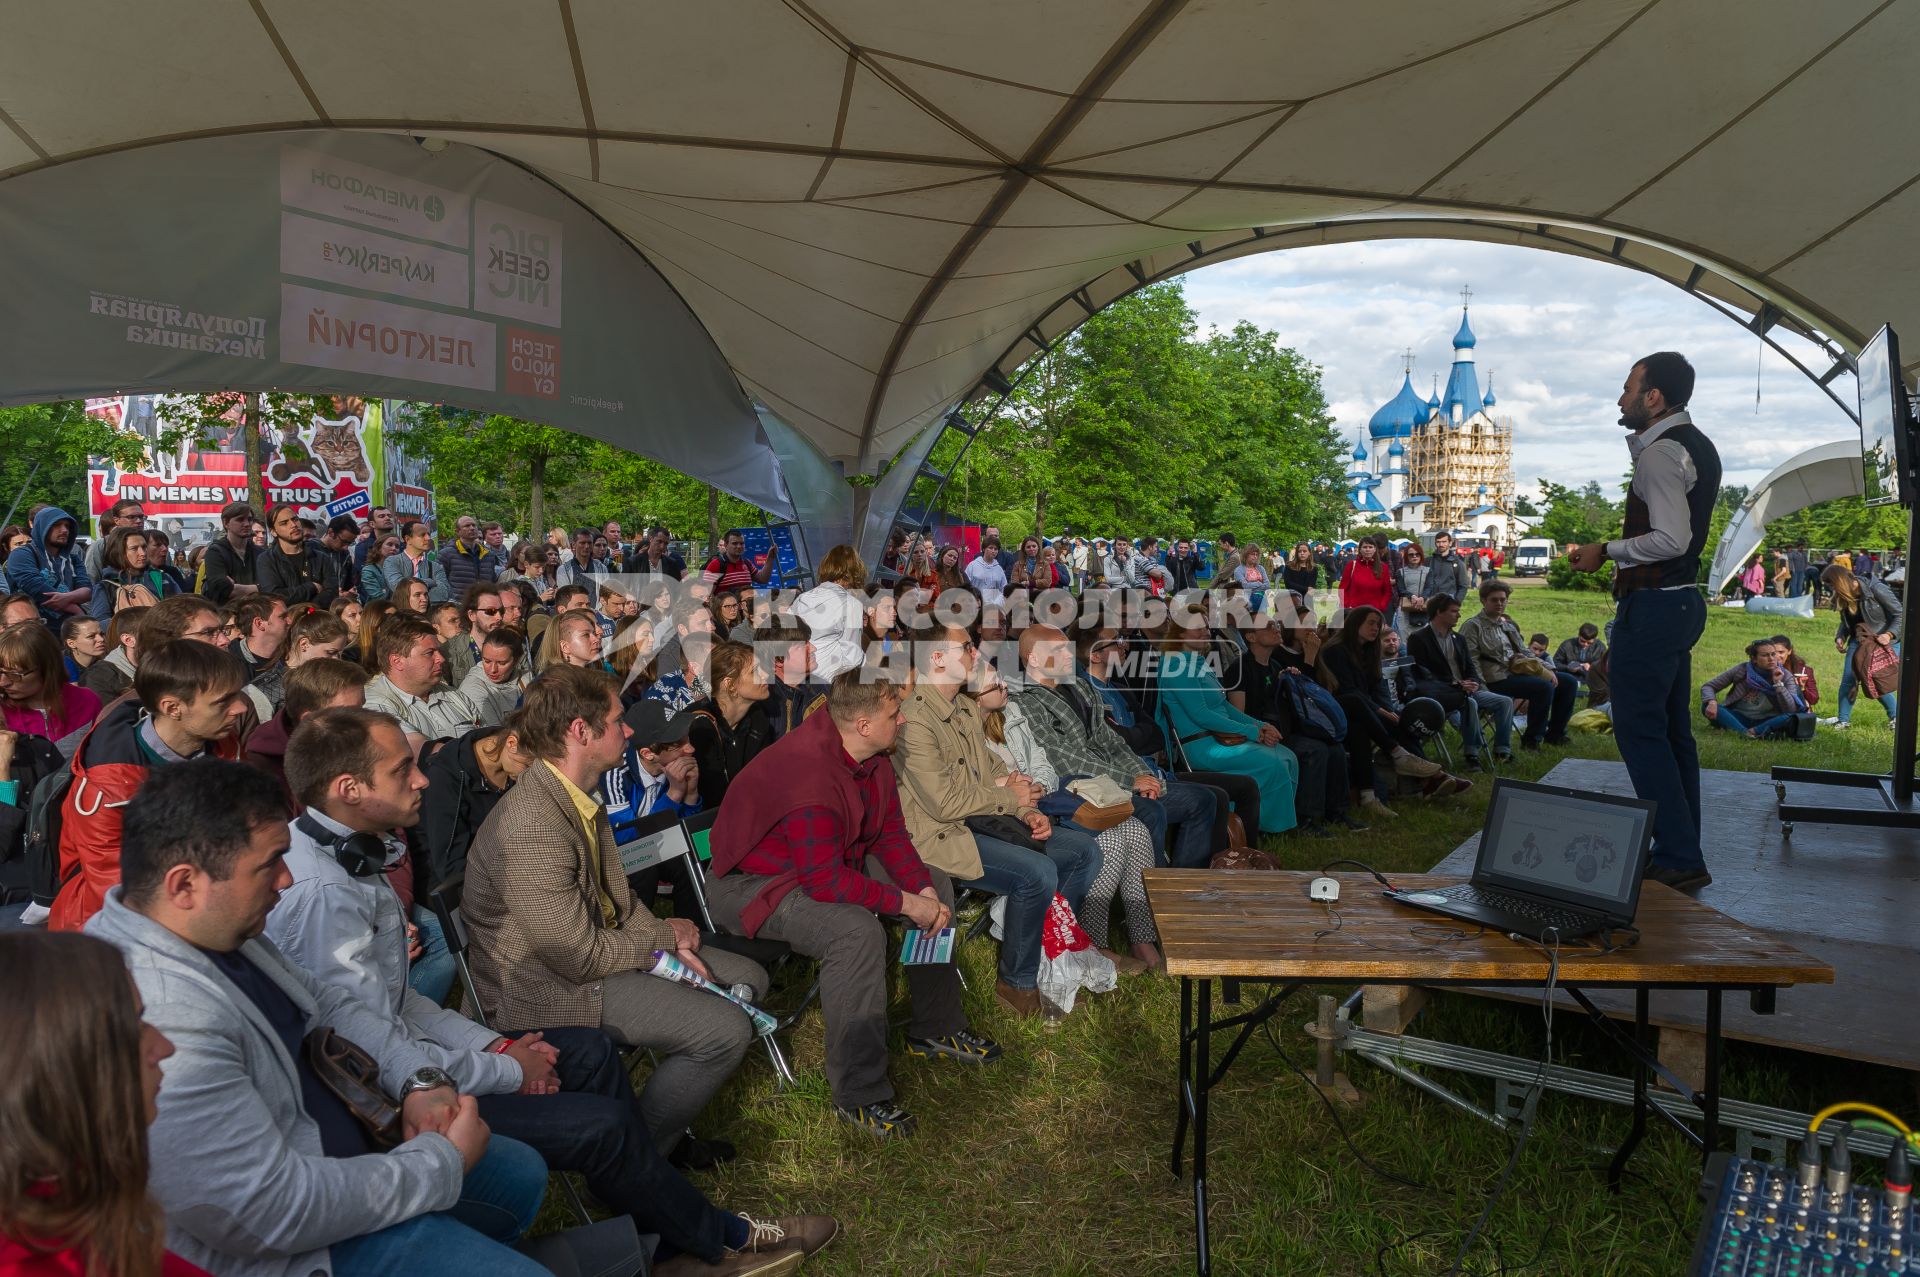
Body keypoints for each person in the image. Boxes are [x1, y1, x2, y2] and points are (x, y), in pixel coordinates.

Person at [273, 709, 834, 1276]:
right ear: (349, 790)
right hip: (401, 1109)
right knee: (606, 1126)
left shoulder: (348, 856)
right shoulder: (322, 893)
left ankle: (654, 1223)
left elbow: (397, 1005)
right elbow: (373, 1049)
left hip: (427, 1064)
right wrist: (506, 1068)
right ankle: (717, 1242)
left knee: (589, 1056)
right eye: (402, 771)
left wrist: (494, 1051)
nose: (421, 779)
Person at [83, 759, 552, 1277]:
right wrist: (438, 1167)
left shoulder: (214, 928)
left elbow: (330, 1004)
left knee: (519, 1174)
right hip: (300, 1248)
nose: (286, 879)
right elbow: (268, 1213)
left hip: (351, 1150)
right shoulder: (161, 1014)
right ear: (185, 885)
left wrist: (420, 1081)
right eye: (269, 864)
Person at [460, 666, 769, 1159]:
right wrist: (666, 944)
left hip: (588, 959)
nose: (628, 731)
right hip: (543, 988)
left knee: (749, 977)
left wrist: (673, 939)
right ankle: (637, 1154)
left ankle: (653, 1134)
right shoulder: (531, 824)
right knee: (725, 1030)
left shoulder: (577, 796)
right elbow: (576, 956)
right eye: (618, 720)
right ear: (581, 732)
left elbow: (618, 900)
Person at [706, 669, 997, 1138]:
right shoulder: (808, 773)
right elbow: (823, 883)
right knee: (856, 931)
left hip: (821, 864)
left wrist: (919, 889)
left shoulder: (873, 755)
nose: (902, 721)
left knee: (937, 887)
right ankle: (859, 1094)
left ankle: (934, 1026)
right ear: (863, 725)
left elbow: (889, 835)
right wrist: (902, 900)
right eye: (893, 713)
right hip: (751, 886)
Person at [1564, 352, 1721, 891]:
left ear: (1653, 397)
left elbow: (1671, 540)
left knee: (1640, 732)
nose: (1620, 398)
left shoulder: (1660, 455)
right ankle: (1682, 846)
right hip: (1678, 604)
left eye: (1629, 387)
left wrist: (1605, 548)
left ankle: (1678, 853)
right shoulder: (1695, 445)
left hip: (1654, 609)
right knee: (1673, 733)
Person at [897, 620, 1101, 1018]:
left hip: (979, 818)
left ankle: (1051, 948)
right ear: (937, 659)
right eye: (967, 647)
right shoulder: (916, 720)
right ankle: (1017, 983)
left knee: (1081, 850)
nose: (976, 654)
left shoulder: (961, 708)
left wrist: (1026, 809)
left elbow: (993, 769)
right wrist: (1012, 798)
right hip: (939, 835)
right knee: (1036, 872)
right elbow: (943, 803)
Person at [0, 931, 215, 1276]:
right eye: (134, 1028)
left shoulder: (61, 1206)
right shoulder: (35, 1260)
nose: (164, 1047)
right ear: (56, 1065)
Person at [49, 639, 250, 932]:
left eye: (239, 695)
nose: (241, 708)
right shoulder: (107, 788)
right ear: (173, 707)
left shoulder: (222, 745)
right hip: (110, 935)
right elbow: (122, 891)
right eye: (223, 701)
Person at [1012, 623, 1216, 880]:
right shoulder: (1023, 700)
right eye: (1059, 650)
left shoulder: (1080, 688)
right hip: (1078, 791)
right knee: (1155, 810)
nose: (1068, 656)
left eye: (1068, 649)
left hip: (1113, 779)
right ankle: (1152, 895)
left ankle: (1184, 886)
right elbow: (1062, 759)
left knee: (1204, 799)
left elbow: (1113, 742)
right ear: (1033, 658)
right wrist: (1130, 781)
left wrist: (1143, 776)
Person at [1156, 621, 1303, 833]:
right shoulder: (1175, 666)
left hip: (1218, 737)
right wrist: (1252, 732)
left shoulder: (1196, 662)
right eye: (1198, 627)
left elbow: (1223, 705)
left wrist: (1260, 725)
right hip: (1200, 745)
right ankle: (1267, 829)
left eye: (1206, 627)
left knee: (1287, 756)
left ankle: (1265, 824)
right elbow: (1202, 715)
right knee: (1275, 762)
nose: (1206, 632)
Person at [1318, 606, 1470, 807]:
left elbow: (1375, 687)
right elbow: (1348, 691)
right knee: (1369, 717)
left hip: (1363, 711)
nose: (1376, 628)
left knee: (1398, 721)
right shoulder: (1336, 651)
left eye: (1378, 624)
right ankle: (1405, 760)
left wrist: (1386, 710)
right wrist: (1381, 710)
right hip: (1338, 710)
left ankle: (1429, 778)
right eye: (1370, 623)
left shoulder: (1368, 651)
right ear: (1355, 624)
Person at [1233, 607, 1357, 832]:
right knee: (1314, 750)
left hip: (1284, 730)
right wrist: (1260, 731)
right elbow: (1238, 715)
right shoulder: (1240, 668)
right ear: (1250, 637)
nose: (1276, 628)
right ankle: (1306, 818)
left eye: (1276, 624)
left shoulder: (1275, 666)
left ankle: (1336, 812)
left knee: (1335, 748)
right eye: (1268, 626)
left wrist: (1291, 681)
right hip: (1261, 735)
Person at [415, 715, 533, 890]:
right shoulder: (445, 777)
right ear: (511, 744)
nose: (530, 775)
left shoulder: (513, 769)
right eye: (528, 766)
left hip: (506, 872)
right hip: (459, 890)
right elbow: (449, 865)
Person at [1458, 579, 1577, 749]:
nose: (1499, 603)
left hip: (1516, 672)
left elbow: (1526, 652)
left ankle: (1556, 734)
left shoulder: (1506, 625)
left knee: (1569, 682)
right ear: (1483, 601)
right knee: (1543, 687)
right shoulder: (1473, 626)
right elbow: (1471, 660)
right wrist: (1481, 687)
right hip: (1494, 679)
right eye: (1494, 599)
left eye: (1503, 599)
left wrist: (1548, 668)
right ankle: (1532, 740)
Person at [244, 656, 370, 810]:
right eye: (349, 713)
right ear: (309, 720)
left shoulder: (364, 740)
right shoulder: (264, 769)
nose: (364, 720)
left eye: (362, 707)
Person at [1408, 592, 1515, 769]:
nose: (1459, 615)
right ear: (1439, 613)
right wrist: (1455, 684)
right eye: (1454, 611)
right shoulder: (1419, 638)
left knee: (1504, 702)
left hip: (1466, 689)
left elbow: (1470, 667)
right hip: (1441, 693)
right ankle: (1471, 754)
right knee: (1470, 703)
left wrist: (1473, 681)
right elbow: (1421, 673)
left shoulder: (1459, 639)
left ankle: (1502, 750)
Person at [684, 640, 772, 809]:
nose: (766, 675)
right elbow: (710, 794)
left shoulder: (758, 718)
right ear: (730, 685)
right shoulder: (698, 727)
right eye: (755, 671)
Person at [362, 616, 477, 742]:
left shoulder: (455, 696)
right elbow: (419, 753)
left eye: (438, 651)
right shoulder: (377, 706)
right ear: (397, 661)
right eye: (429, 653)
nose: (441, 659)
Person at [1822, 563, 1902, 728]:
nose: (1830, 589)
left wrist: (1889, 634)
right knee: (1848, 679)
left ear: (1839, 582)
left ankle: (1896, 718)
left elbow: (1900, 614)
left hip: (1882, 641)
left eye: (1831, 585)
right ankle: (1843, 721)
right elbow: (1847, 619)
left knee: (1873, 677)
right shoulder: (1844, 595)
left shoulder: (1876, 588)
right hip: (1858, 641)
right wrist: (1840, 636)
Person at [0, 620, 102, 749]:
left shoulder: (88, 701)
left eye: (15, 675)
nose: (3, 682)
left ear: (46, 668)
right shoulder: (2, 712)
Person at [1701, 638, 1810, 739]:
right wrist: (1712, 702)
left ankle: (1751, 731)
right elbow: (1709, 686)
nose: (1771, 659)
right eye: (1765, 655)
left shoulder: (1785, 675)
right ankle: (1746, 732)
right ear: (1754, 659)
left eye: (1773, 654)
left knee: (1792, 717)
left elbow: (1790, 709)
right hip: (1739, 717)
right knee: (1706, 705)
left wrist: (1778, 684)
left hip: (1767, 721)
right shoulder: (1743, 670)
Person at [5, 506, 91, 625]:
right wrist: (76, 609)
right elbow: (35, 586)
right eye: (57, 525)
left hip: (69, 628)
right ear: (42, 527)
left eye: (67, 526)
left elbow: (87, 590)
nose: (64, 530)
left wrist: (66, 598)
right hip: (31, 629)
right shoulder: (21, 554)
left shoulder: (73, 559)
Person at [254, 504, 340, 607]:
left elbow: (331, 594)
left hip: (316, 619)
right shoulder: (266, 559)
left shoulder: (321, 558)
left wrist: (308, 610)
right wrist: (311, 587)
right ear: (274, 532)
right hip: (284, 620)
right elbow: (273, 596)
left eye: (295, 519)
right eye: (284, 523)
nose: (293, 525)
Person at [757, 616, 824, 740]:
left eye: (808, 641)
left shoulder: (823, 688)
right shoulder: (764, 706)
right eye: (801, 646)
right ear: (777, 659)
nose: (814, 649)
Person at [89, 526, 168, 621]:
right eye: (134, 548)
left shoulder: (162, 578)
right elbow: (101, 623)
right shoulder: (105, 587)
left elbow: (179, 612)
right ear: (118, 552)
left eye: (144, 547)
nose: (142, 553)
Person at [230, 593, 291, 713]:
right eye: (283, 617)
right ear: (259, 623)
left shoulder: (292, 654)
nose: (290, 621)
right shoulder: (231, 664)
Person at [457, 628, 527, 730]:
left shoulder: (527, 679)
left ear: (516, 661)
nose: (493, 669)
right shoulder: (473, 688)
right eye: (487, 661)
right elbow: (492, 734)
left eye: (502, 663)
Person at [442, 583, 505, 689]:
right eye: (491, 611)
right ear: (472, 615)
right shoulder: (448, 652)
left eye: (501, 611)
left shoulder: (513, 645)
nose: (499, 617)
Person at [81, 605, 145, 702]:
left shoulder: (165, 663)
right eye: (154, 634)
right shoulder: (99, 678)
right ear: (128, 640)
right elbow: (110, 716)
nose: (165, 639)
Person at [385, 520, 452, 604]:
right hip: (402, 615)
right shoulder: (392, 561)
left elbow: (444, 594)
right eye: (422, 535)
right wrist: (431, 582)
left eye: (428, 534)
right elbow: (399, 587)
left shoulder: (435, 566)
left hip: (428, 615)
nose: (428, 538)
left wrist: (414, 591)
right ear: (408, 539)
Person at [1553, 622, 1611, 706]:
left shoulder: (1600, 647)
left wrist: (1592, 667)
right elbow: (1555, 663)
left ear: (1595, 639)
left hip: (1590, 677)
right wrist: (1567, 667)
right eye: (1582, 641)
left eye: (1589, 643)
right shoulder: (1567, 644)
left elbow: (1604, 667)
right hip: (1570, 675)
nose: (1585, 645)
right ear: (1578, 635)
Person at [701, 530, 772, 593]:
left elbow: (763, 579)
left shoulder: (747, 563)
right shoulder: (716, 564)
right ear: (726, 545)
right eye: (735, 543)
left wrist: (770, 558)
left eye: (742, 543)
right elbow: (705, 595)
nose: (739, 546)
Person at [60, 614, 106, 682]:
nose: (101, 639)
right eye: (91, 636)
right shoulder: (60, 668)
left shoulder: (110, 659)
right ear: (71, 643)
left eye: (101, 634)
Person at [964, 536, 1008, 606]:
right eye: (990, 548)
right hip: (975, 605)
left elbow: (1004, 589)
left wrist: (998, 602)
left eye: (996, 549)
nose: (993, 551)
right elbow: (966, 586)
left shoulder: (999, 569)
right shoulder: (973, 565)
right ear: (984, 549)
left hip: (994, 607)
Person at [360, 531, 401, 602]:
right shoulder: (369, 570)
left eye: (397, 546)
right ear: (379, 547)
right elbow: (378, 597)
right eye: (390, 544)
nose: (394, 548)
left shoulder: (400, 569)